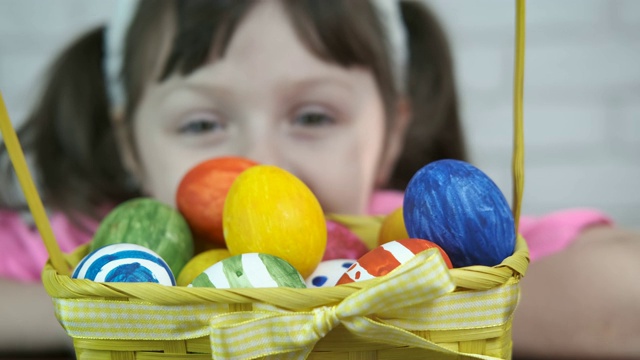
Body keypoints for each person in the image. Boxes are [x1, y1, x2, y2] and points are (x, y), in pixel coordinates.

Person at [1, 0, 638, 358]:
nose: (262, 163)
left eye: (312, 115)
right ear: (129, 146)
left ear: (392, 131)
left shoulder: (409, 236)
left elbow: (624, 287)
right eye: (201, 125)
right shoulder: (86, 244)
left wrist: (430, 309)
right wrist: (107, 312)